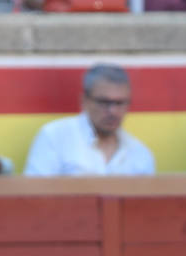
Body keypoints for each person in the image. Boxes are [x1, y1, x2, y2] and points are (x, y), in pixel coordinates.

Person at [24, 64, 155, 177]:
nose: (112, 111)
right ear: (84, 101)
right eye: (104, 102)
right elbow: (35, 200)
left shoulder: (140, 153)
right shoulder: (55, 137)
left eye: (119, 103)